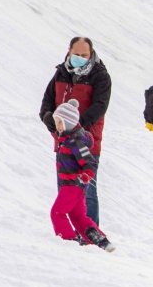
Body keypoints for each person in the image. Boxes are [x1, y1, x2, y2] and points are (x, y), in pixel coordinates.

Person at [39, 37, 112, 226]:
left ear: (91, 53)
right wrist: (50, 120)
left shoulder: (100, 76)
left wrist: (76, 128)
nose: (80, 58)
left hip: (86, 143)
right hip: (63, 143)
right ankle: (71, 235)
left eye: (84, 55)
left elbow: (99, 107)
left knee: (86, 192)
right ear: (69, 51)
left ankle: (90, 233)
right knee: (66, 190)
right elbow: (47, 103)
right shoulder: (61, 73)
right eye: (76, 54)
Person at [50, 100, 113, 251]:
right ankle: (101, 241)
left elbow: (90, 162)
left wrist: (86, 175)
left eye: (59, 122)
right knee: (78, 217)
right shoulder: (67, 140)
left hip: (73, 185)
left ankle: (68, 241)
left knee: (57, 212)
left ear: (68, 123)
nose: (57, 126)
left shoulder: (76, 143)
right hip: (72, 185)